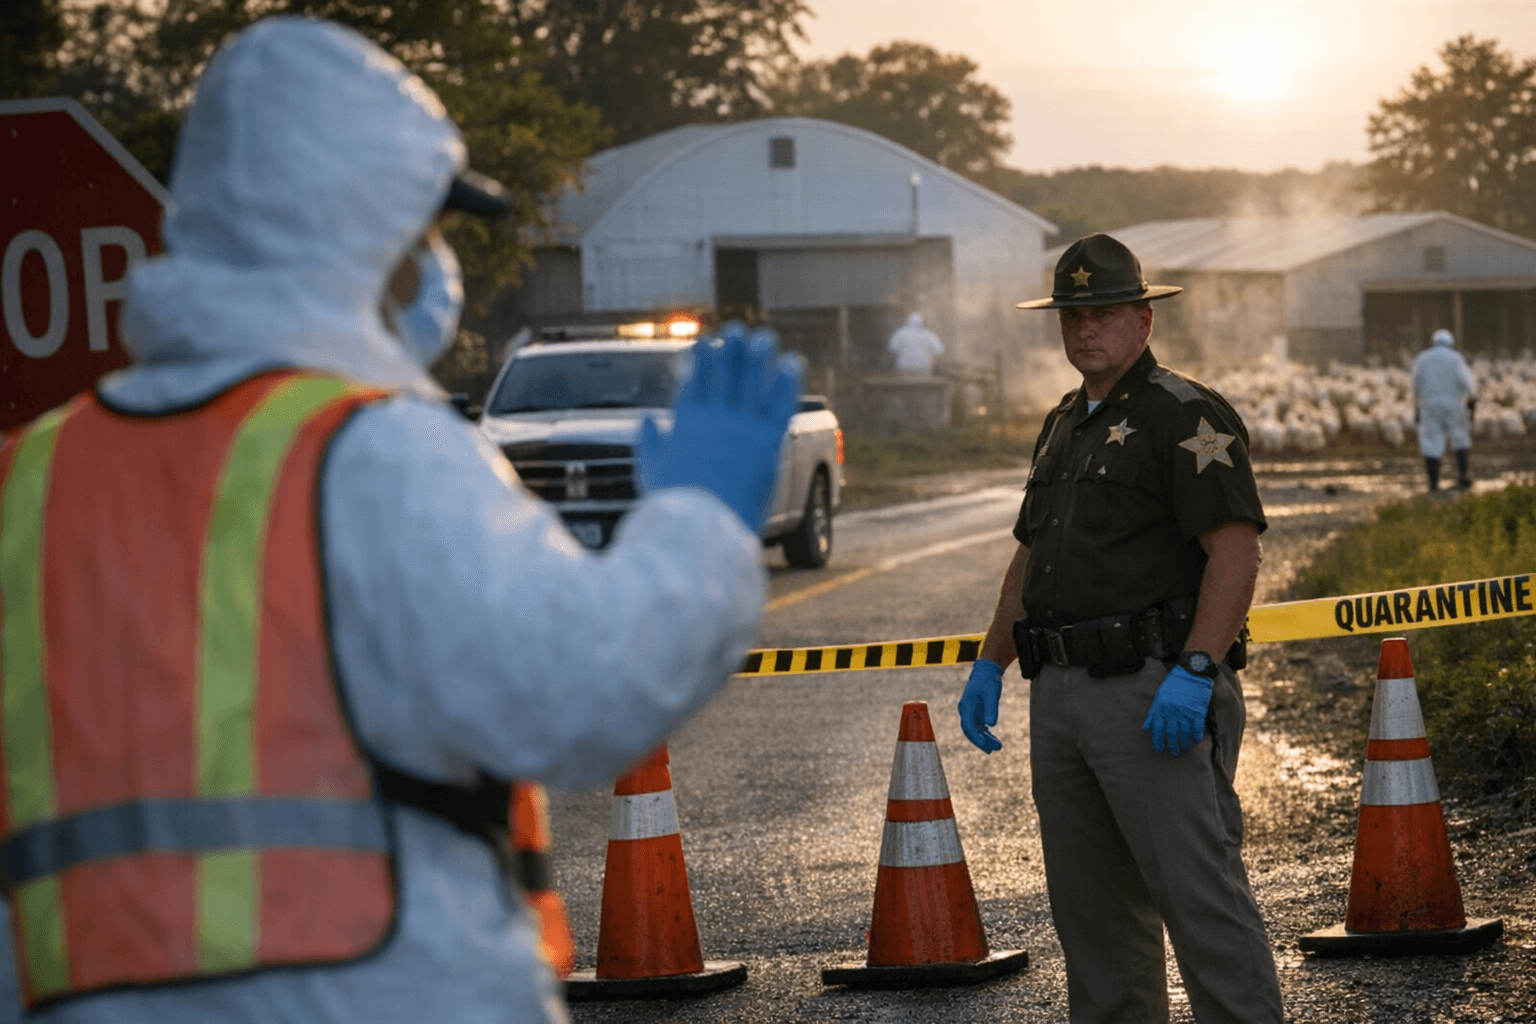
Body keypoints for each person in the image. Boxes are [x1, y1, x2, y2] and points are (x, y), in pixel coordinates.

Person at [0, 17, 797, 1024]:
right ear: (368, 228)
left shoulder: (27, 481)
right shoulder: (366, 453)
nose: (434, 263)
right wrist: (700, 516)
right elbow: (578, 688)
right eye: (427, 229)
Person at [957, 234, 1283, 1024]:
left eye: (1101, 313)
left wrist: (1198, 668)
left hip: (1150, 689)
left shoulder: (1184, 414)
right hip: (1060, 694)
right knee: (1094, 922)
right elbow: (1029, 563)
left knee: (1200, 902)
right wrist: (989, 664)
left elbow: (1233, 555)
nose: (1083, 330)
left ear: (1143, 318)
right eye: (1070, 316)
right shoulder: (1064, 422)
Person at [1412, 327, 1477, 491]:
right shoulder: (1456, 358)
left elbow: (1415, 384)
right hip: (1453, 405)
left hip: (1430, 406)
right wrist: (1472, 403)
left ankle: (1433, 482)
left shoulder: (1423, 358)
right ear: (1451, 343)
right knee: (1460, 438)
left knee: (1430, 441)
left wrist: (1417, 408)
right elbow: (1468, 383)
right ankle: (1463, 476)